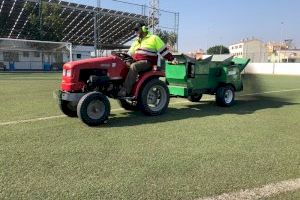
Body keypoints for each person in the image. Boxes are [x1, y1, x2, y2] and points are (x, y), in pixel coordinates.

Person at [118, 22, 177, 97]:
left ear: (143, 29)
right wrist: (122, 59)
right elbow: (129, 53)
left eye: (136, 30)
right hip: (137, 61)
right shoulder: (136, 41)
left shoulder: (154, 38)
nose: (135, 32)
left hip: (147, 62)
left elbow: (163, 51)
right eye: (134, 31)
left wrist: (171, 59)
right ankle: (118, 86)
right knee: (122, 65)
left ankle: (125, 90)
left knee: (134, 66)